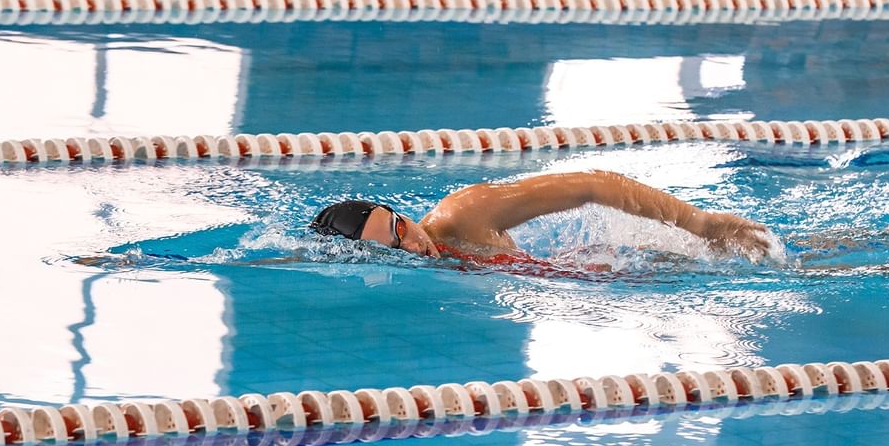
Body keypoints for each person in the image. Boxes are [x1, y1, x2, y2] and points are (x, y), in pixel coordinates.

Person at [310, 169, 773, 263]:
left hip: (608, 268)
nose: (413, 244)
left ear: (402, 214)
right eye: (395, 248)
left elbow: (595, 184)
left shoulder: (464, 213)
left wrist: (700, 223)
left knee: (773, 260)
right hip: (576, 277)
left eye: (401, 228)